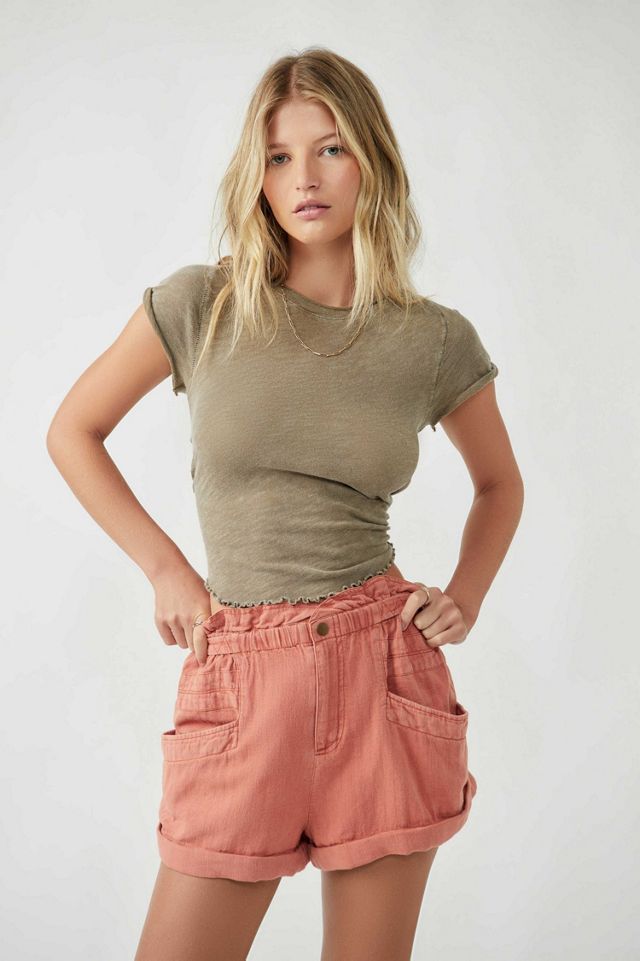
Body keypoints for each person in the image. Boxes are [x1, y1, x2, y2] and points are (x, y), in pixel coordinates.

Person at [46, 46, 524, 961]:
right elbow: (73, 429)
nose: (304, 177)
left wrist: (466, 594)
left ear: (371, 160)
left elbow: (500, 484)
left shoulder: (432, 340)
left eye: (330, 148)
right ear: (256, 175)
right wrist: (165, 569)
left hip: (383, 673)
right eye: (278, 156)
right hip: (240, 676)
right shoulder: (204, 304)